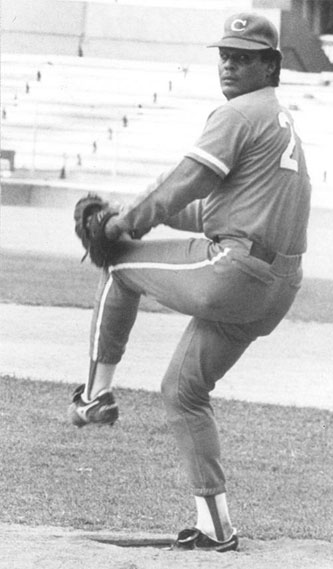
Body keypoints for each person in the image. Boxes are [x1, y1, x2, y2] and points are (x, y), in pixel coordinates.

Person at [68, 11, 311, 552]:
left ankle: (94, 396)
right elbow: (206, 207)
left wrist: (120, 224)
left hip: (235, 272)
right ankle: (215, 526)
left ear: (271, 66)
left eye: (244, 56)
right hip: (275, 286)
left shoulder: (237, 114)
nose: (229, 62)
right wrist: (126, 209)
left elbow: (183, 182)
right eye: (225, 53)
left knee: (119, 264)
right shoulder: (276, 119)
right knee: (182, 391)